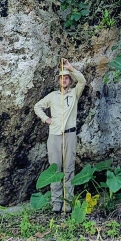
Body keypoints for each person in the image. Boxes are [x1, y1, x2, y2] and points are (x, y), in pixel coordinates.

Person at [33, 59, 86, 213]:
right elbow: (37, 106)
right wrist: (46, 119)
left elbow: (82, 81)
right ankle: (57, 202)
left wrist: (71, 68)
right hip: (54, 135)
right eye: (62, 78)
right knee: (55, 168)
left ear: (69, 80)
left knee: (69, 168)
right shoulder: (53, 96)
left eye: (67, 77)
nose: (64, 80)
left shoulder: (74, 93)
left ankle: (67, 201)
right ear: (58, 81)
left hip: (70, 135)